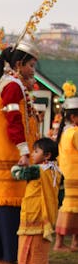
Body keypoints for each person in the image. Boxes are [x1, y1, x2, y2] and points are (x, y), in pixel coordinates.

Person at [0, 43, 40, 264]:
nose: (33, 71)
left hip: (7, 152)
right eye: (31, 66)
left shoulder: (13, 84)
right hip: (10, 154)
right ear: (19, 64)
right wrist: (24, 151)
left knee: (2, 204)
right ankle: (6, 256)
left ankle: (0, 255)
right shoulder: (13, 86)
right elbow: (14, 122)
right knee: (8, 205)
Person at [11, 137, 61, 264]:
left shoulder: (37, 170)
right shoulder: (56, 171)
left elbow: (17, 174)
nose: (32, 154)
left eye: (36, 151)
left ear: (47, 155)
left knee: (29, 237)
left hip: (33, 210)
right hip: (47, 211)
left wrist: (17, 166)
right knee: (40, 240)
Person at [54, 88, 78, 251]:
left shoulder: (66, 131)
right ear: (74, 117)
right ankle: (61, 242)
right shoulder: (75, 132)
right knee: (70, 208)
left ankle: (72, 242)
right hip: (75, 174)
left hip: (69, 173)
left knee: (71, 207)